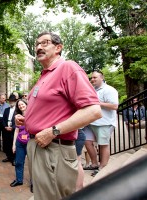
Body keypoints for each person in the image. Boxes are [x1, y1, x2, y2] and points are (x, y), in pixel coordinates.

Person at [15, 32, 102, 200]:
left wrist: (53, 131)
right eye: (37, 44)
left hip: (54, 148)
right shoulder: (44, 75)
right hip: (38, 146)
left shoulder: (68, 68)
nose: (39, 47)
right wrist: (28, 121)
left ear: (58, 47)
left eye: (45, 43)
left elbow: (93, 110)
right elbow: (52, 111)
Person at [84, 71, 118, 176]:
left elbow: (114, 106)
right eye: (91, 78)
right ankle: (94, 163)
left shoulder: (109, 90)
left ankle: (102, 167)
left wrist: (97, 103)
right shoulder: (93, 90)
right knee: (87, 141)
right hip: (92, 122)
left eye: (95, 77)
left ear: (102, 78)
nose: (92, 79)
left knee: (103, 145)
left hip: (104, 123)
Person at [11, 99, 29, 187]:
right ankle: (19, 180)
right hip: (20, 143)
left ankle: (34, 183)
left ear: (26, 104)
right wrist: (14, 144)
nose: (21, 106)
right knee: (18, 162)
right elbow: (16, 131)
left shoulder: (32, 114)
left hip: (30, 142)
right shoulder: (18, 116)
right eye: (19, 105)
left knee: (33, 164)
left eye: (22, 104)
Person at [1, 94, 17, 165]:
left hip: (14, 130)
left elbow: (18, 121)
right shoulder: (6, 110)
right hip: (6, 129)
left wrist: (13, 127)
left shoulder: (17, 110)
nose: (11, 102)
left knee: (13, 143)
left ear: (15, 101)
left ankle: (13, 158)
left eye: (13, 101)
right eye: (10, 101)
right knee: (7, 143)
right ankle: (8, 157)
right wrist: (5, 127)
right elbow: (3, 120)